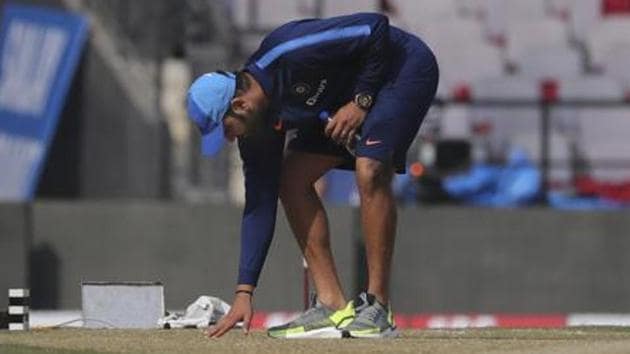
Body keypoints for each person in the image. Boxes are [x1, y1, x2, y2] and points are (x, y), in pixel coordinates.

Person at [187, 12, 438, 339]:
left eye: (226, 130)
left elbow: (376, 26)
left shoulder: (288, 50)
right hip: (343, 99)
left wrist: (361, 102)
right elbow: (259, 204)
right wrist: (244, 293)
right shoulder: (256, 131)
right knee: (290, 181)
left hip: (400, 70)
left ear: (240, 105)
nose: (230, 139)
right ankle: (331, 304)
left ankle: (378, 308)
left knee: (370, 168)